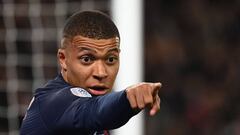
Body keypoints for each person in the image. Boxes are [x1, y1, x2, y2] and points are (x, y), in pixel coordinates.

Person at [20, 10, 162, 135]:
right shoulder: (54, 104)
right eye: (87, 59)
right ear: (63, 59)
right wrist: (126, 99)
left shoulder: (94, 120)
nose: (100, 73)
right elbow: (95, 111)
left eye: (111, 59)